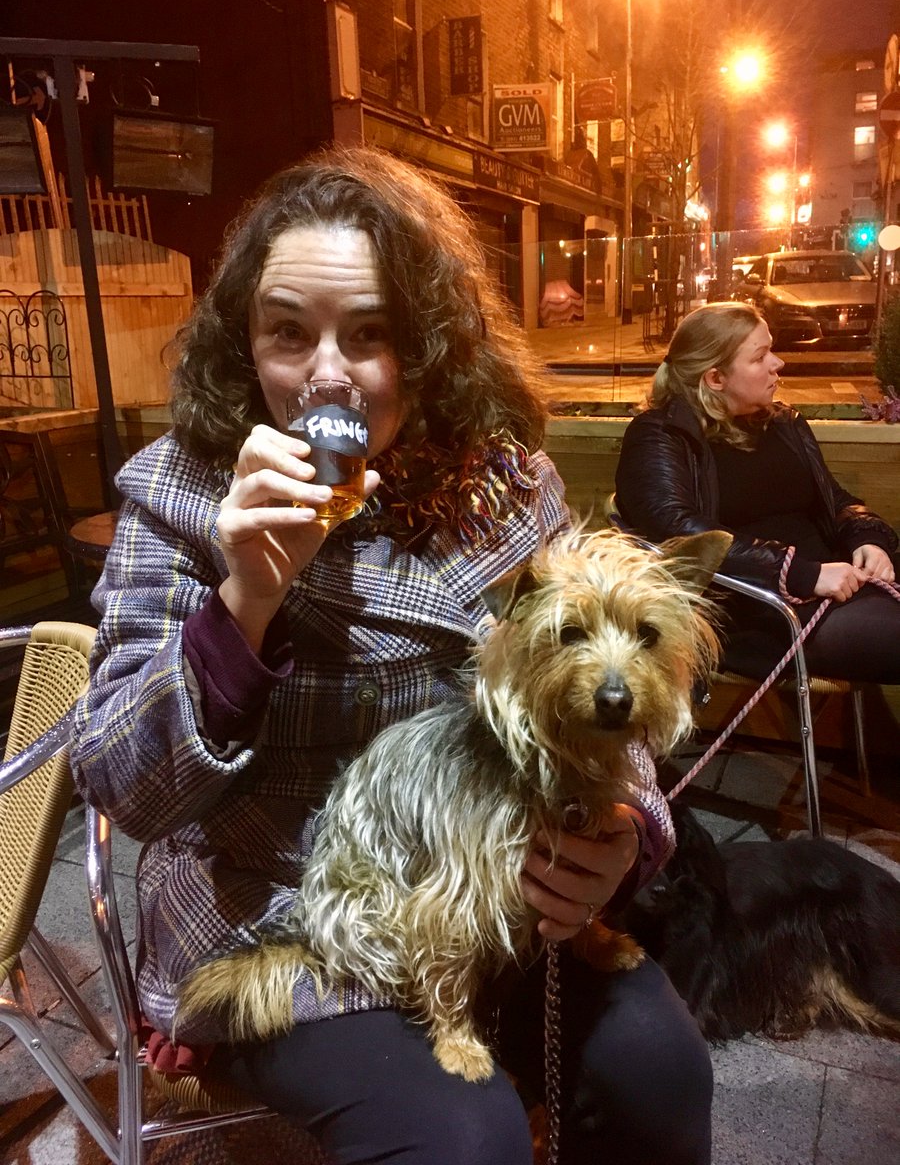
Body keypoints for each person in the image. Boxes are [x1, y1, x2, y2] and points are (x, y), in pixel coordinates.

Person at [70, 146, 712, 1165]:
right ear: (247, 342)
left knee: (662, 1074)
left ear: (429, 345)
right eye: (290, 331)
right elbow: (122, 787)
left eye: (370, 334)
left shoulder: (508, 491)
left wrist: (627, 828)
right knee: (462, 1137)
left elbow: (600, 689)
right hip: (285, 917)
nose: (327, 375)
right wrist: (246, 598)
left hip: (494, 886)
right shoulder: (179, 493)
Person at [615, 301, 900, 682]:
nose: (777, 363)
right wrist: (800, 573)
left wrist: (868, 539)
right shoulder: (659, 435)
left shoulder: (783, 424)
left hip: (838, 582)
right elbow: (676, 530)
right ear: (716, 378)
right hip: (760, 611)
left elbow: (835, 500)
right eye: (760, 356)